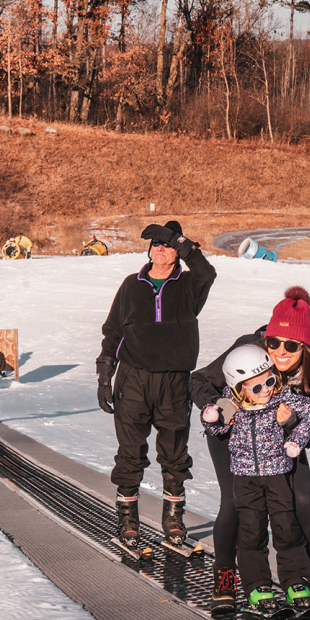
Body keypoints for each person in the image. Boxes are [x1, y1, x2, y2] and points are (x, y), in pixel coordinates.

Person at [191, 286, 310, 614]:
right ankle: (226, 575)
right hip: (233, 434)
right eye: (273, 342)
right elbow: (198, 381)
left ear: (305, 346)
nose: (280, 351)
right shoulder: (248, 350)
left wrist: (292, 424)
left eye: (291, 345)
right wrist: (222, 411)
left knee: (300, 501)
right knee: (235, 503)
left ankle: (307, 578)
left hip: (282, 441)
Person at [97, 220, 216, 550]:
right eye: (155, 243)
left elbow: (208, 273)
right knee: (130, 453)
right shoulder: (131, 285)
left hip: (174, 382)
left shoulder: (190, 286)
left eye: (166, 243)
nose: (159, 247)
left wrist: (182, 241)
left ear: (177, 251)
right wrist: (105, 375)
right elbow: (113, 332)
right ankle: (127, 518)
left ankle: (173, 516)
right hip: (134, 379)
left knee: (175, 454)